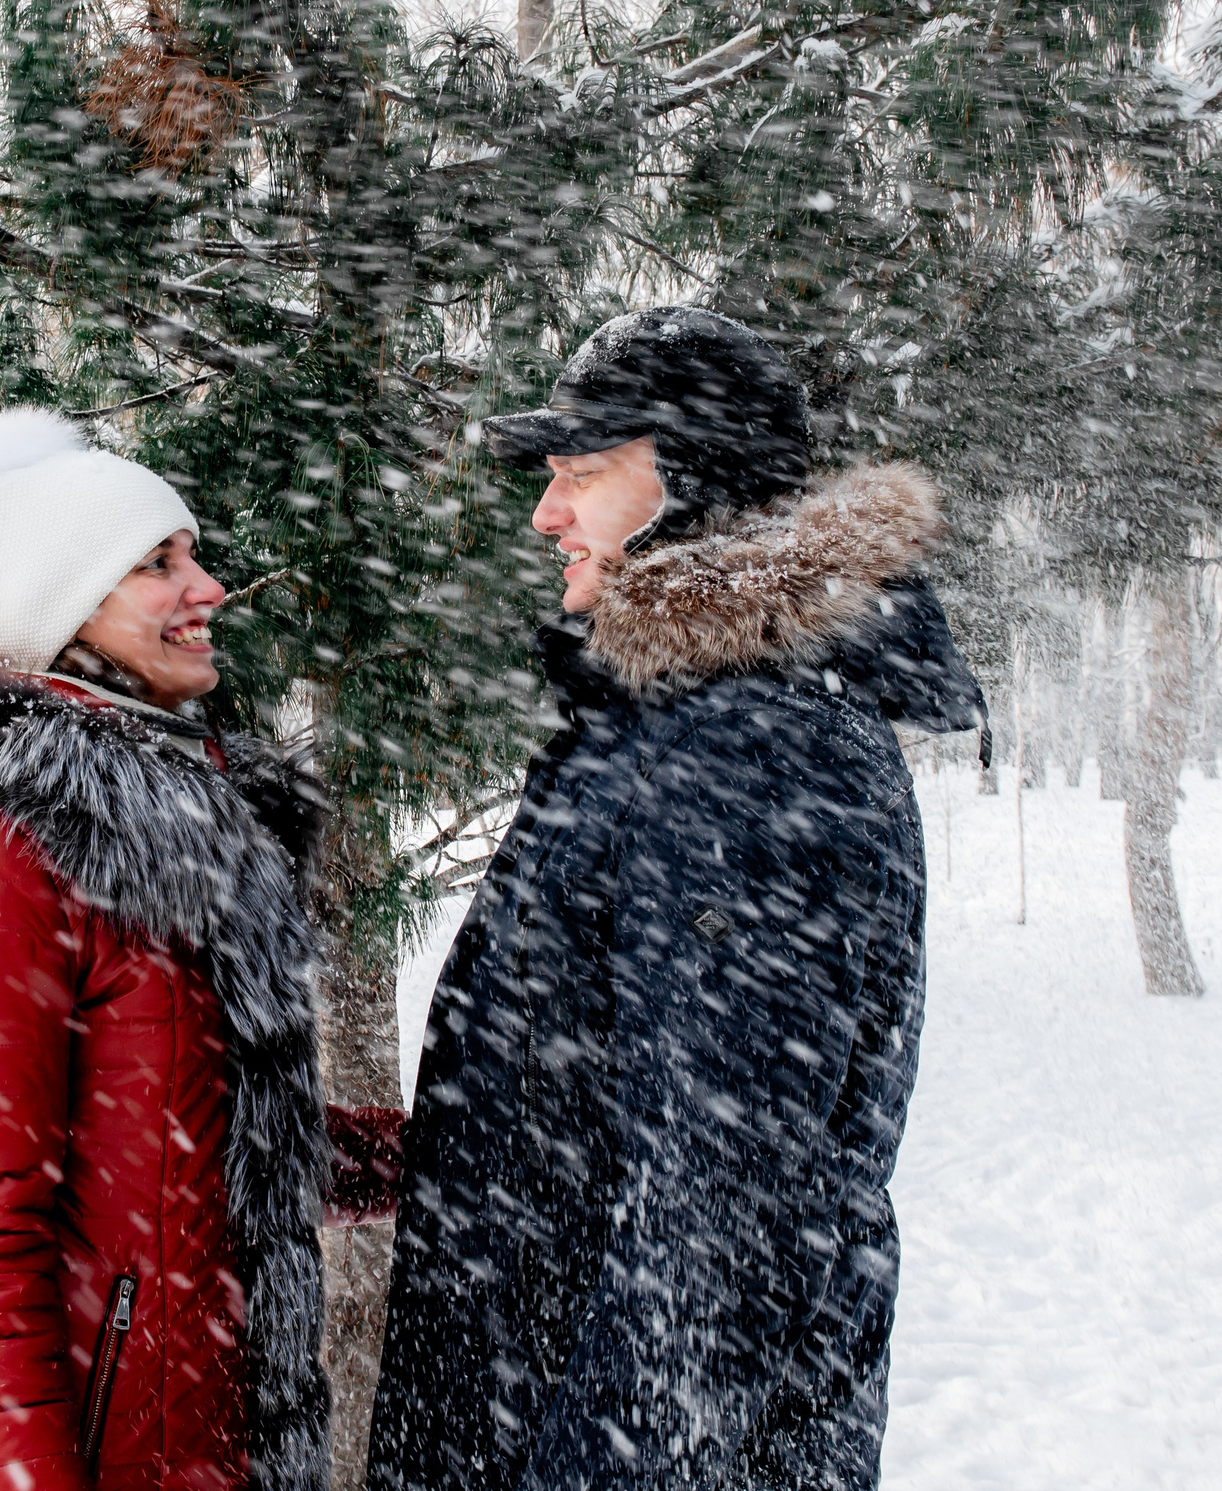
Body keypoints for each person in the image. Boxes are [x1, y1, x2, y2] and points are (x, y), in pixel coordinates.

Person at [367, 307, 984, 1491]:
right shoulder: (675, 716)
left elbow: (717, 1228)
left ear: (698, 482)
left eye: (584, 477)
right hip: (548, 1405)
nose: (546, 514)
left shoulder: (752, 746)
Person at [0, 409, 348, 1491]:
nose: (207, 586)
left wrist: (466, 1147)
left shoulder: (179, 820)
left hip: (189, 1448)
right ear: (65, 606)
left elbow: (188, 1138)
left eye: (191, 554)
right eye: (156, 564)